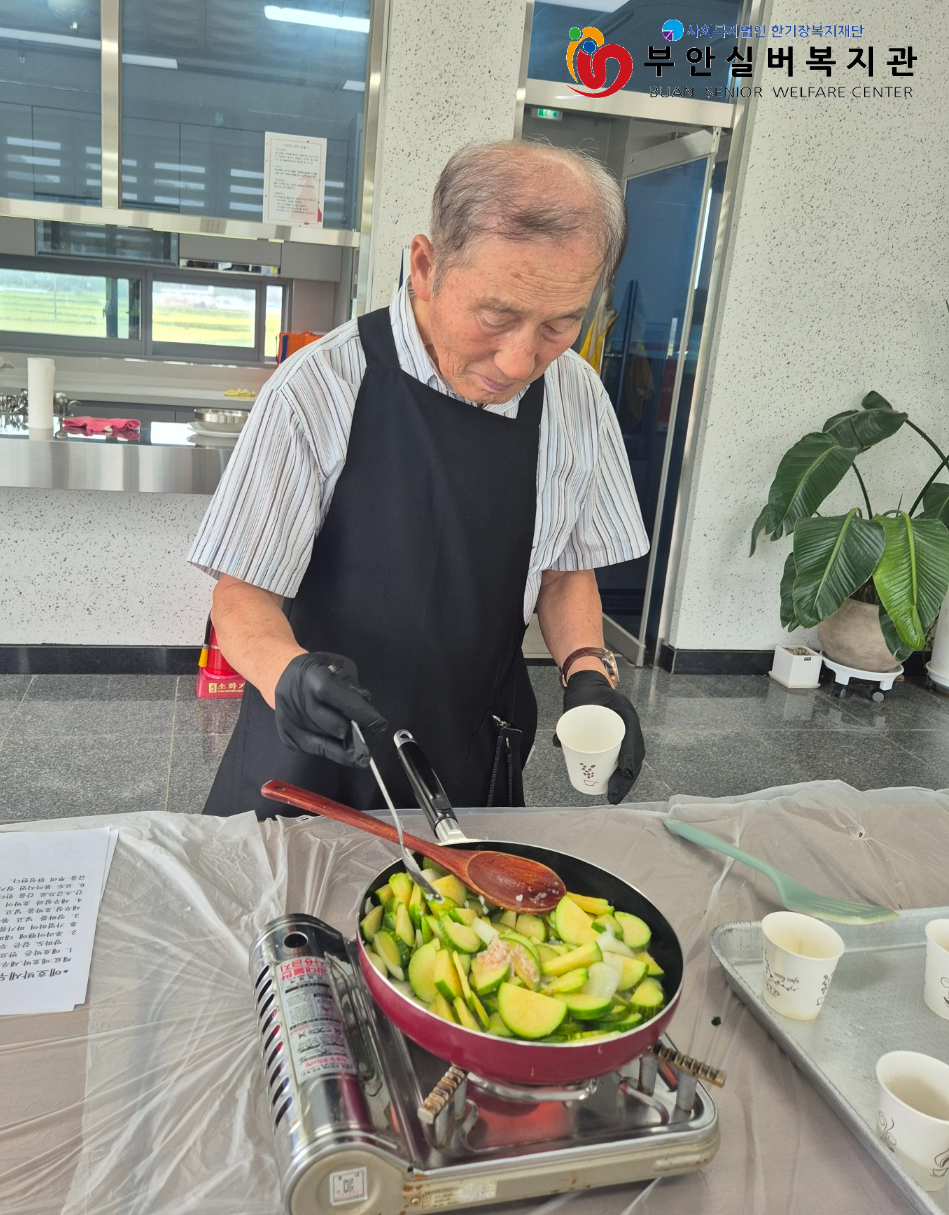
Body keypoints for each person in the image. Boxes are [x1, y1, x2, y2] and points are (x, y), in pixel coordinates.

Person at [189, 140, 649, 817]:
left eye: (559, 325)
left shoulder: (576, 397)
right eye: (495, 316)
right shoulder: (319, 388)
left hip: (471, 754)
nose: (519, 361)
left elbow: (562, 572)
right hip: (313, 758)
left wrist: (587, 671)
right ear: (427, 266)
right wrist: (285, 673)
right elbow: (240, 596)